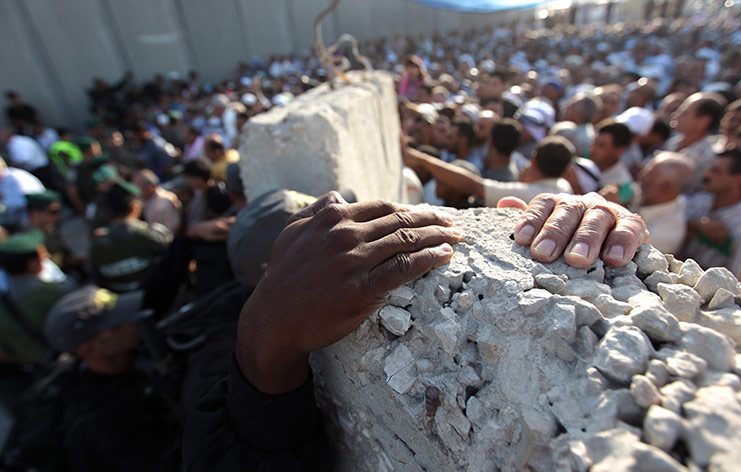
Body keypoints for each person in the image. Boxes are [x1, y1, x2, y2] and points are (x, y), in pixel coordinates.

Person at [182, 191, 650, 470]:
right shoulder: (210, 342)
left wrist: (575, 212)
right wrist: (263, 346)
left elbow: (533, 203)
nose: (343, 226)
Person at [1, 285, 181, 472]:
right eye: (117, 325)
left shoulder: (126, 362)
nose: (132, 321)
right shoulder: (100, 420)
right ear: (90, 350)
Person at [404, 136, 574, 208]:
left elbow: (474, 186)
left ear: (534, 159)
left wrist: (419, 158)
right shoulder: (564, 187)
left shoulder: (531, 194)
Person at [0, 230, 76, 365]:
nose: (47, 256)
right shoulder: (57, 292)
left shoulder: (4, 304)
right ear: (32, 264)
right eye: (43, 254)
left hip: (36, 373)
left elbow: (6, 354)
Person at [681, 147, 741, 276]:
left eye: (715, 171)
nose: (706, 175)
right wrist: (695, 224)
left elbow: (738, 279)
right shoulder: (700, 200)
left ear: (738, 180)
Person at [90, 180, 173, 292]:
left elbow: (100, 283)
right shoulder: (154, 234)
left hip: (126, 303)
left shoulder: (96, 248)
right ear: (134, 207)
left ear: (107, 211)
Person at [631, 152, 694, 254]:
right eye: (645, 172)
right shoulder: (647, 193)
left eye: (649, 176)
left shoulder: (666, 232)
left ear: (667, 188)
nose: (642, 177)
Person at [664, 92, 724, 194]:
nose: (675, 115)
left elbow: (689, 191)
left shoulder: (709, 157)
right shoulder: (673, 141)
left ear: (703, 121)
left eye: (684, 113)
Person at [590, 120, 634, 203]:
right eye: (593, 142)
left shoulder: (624, 186)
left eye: (601, 145)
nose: (593, 149)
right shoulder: (583, 159)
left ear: (620, 150)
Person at [132, 169, 183, 235]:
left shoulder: (165, 202)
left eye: (138, 188)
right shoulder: (144, 199)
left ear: (151, 187)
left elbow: (169, 232)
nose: (136, 192)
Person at [0, 156, 44, 224]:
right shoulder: (5, 179)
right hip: (27, 213)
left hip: (36, 213)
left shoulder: (12, 178)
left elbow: (17, 205)